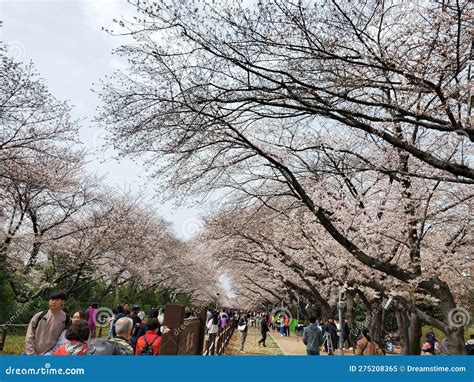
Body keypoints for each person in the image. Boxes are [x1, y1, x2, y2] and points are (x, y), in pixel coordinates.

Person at [24, 291, 69, 355]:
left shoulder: (66, 319)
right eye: (52, 299)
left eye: (57, 300)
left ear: (62, 302)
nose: (53, 302)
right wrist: (31, 353)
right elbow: (29, 335)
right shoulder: (40, 315)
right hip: (31, 353)